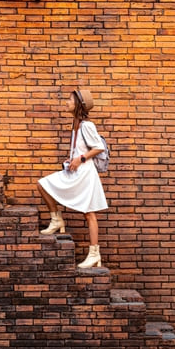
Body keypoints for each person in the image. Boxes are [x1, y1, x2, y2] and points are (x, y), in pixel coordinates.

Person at [36, 88, 108, 268]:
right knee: (43, 185)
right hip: (75, 171)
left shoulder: (86, 125)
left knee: (89, 213)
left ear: (78, 104)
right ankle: (56, 219)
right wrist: (72, 158)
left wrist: (80, 158)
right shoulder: (75, 125)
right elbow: (82, 149)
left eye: (70, 99)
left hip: (84, 174)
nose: (66, 102)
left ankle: (94, 254)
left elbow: (99, 147)